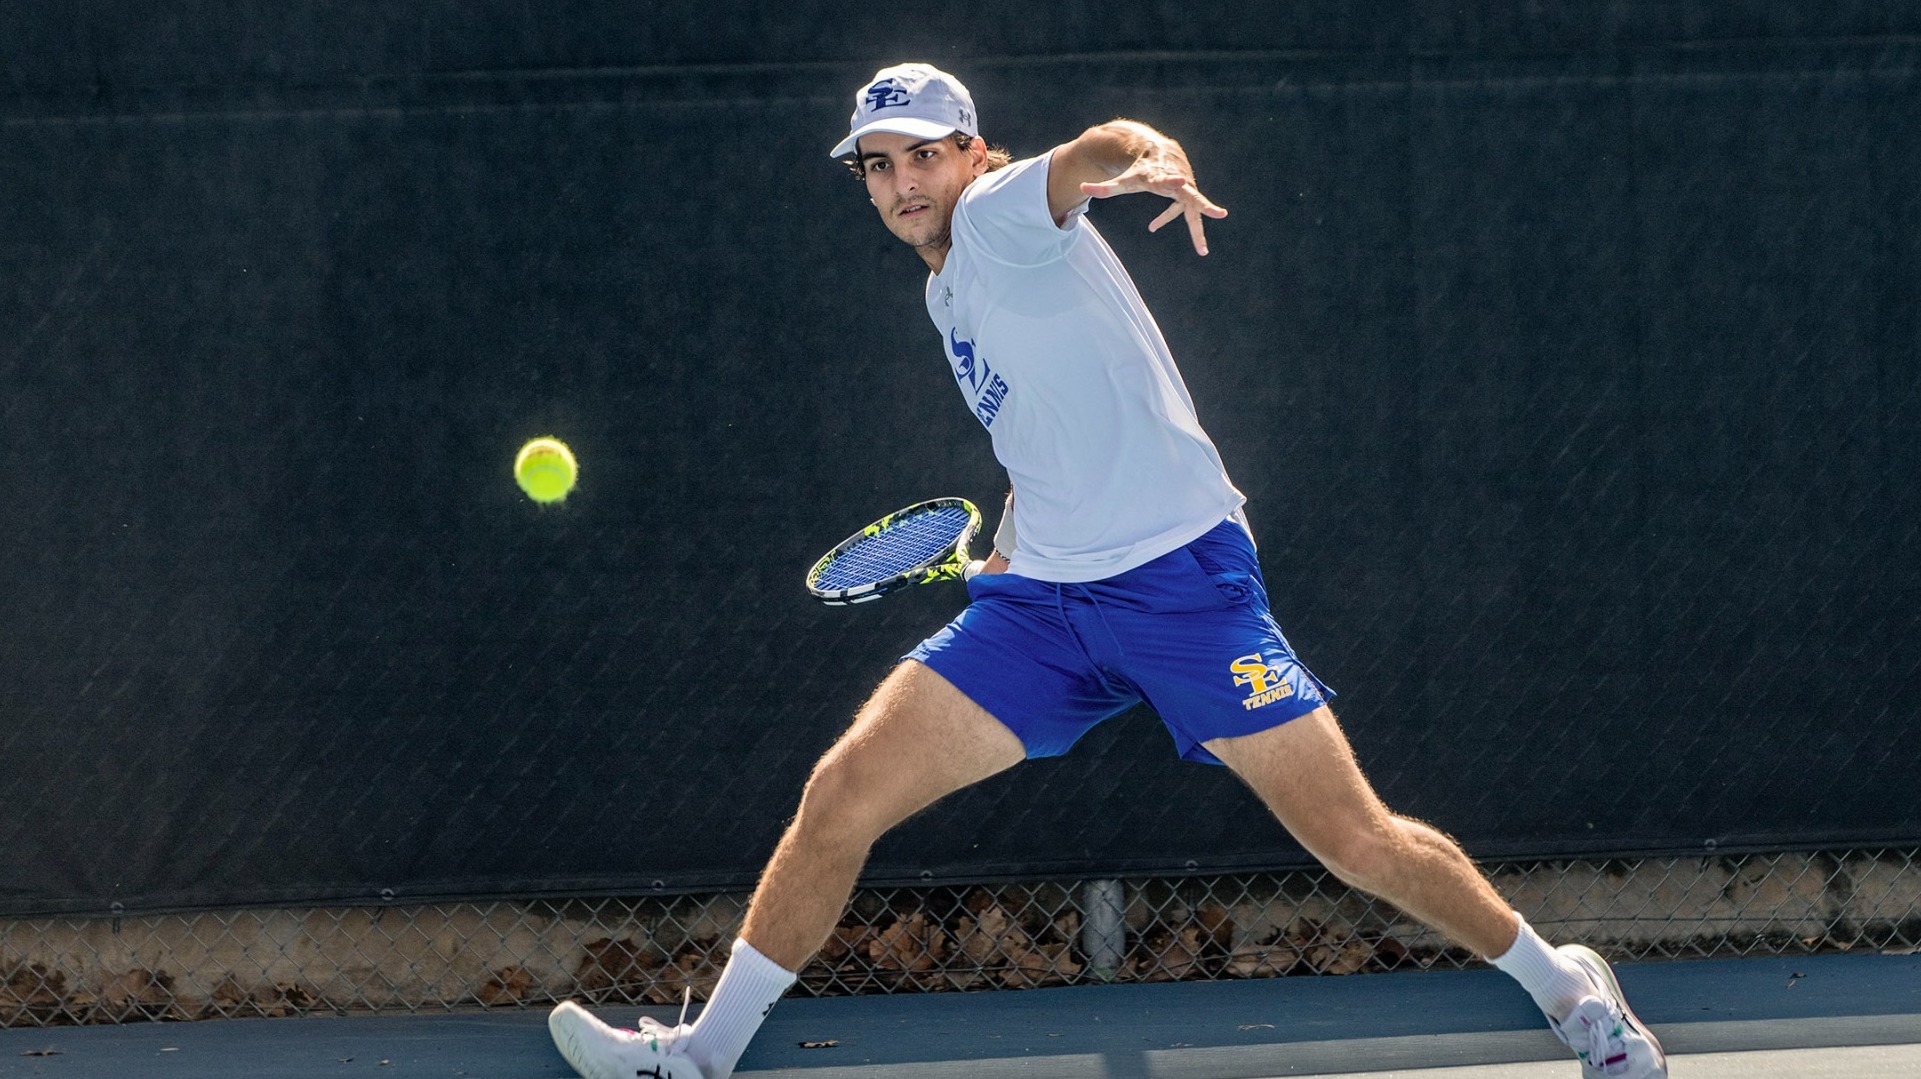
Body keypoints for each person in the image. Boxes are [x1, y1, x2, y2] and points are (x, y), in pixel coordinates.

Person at [548, 62, 1667, 1079]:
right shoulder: (946, 293)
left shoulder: (995, 219)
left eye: (922, 155)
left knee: (1353, 838)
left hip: (1184, 584)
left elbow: (1093, 149)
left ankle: (1570, 993)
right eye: (878, 167)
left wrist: (1149, 158)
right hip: (1041, 607)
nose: (900, 184)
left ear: (972, 157)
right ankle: (699, 1057)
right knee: (840, 794)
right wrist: (1017, 541)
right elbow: (1047, 433)